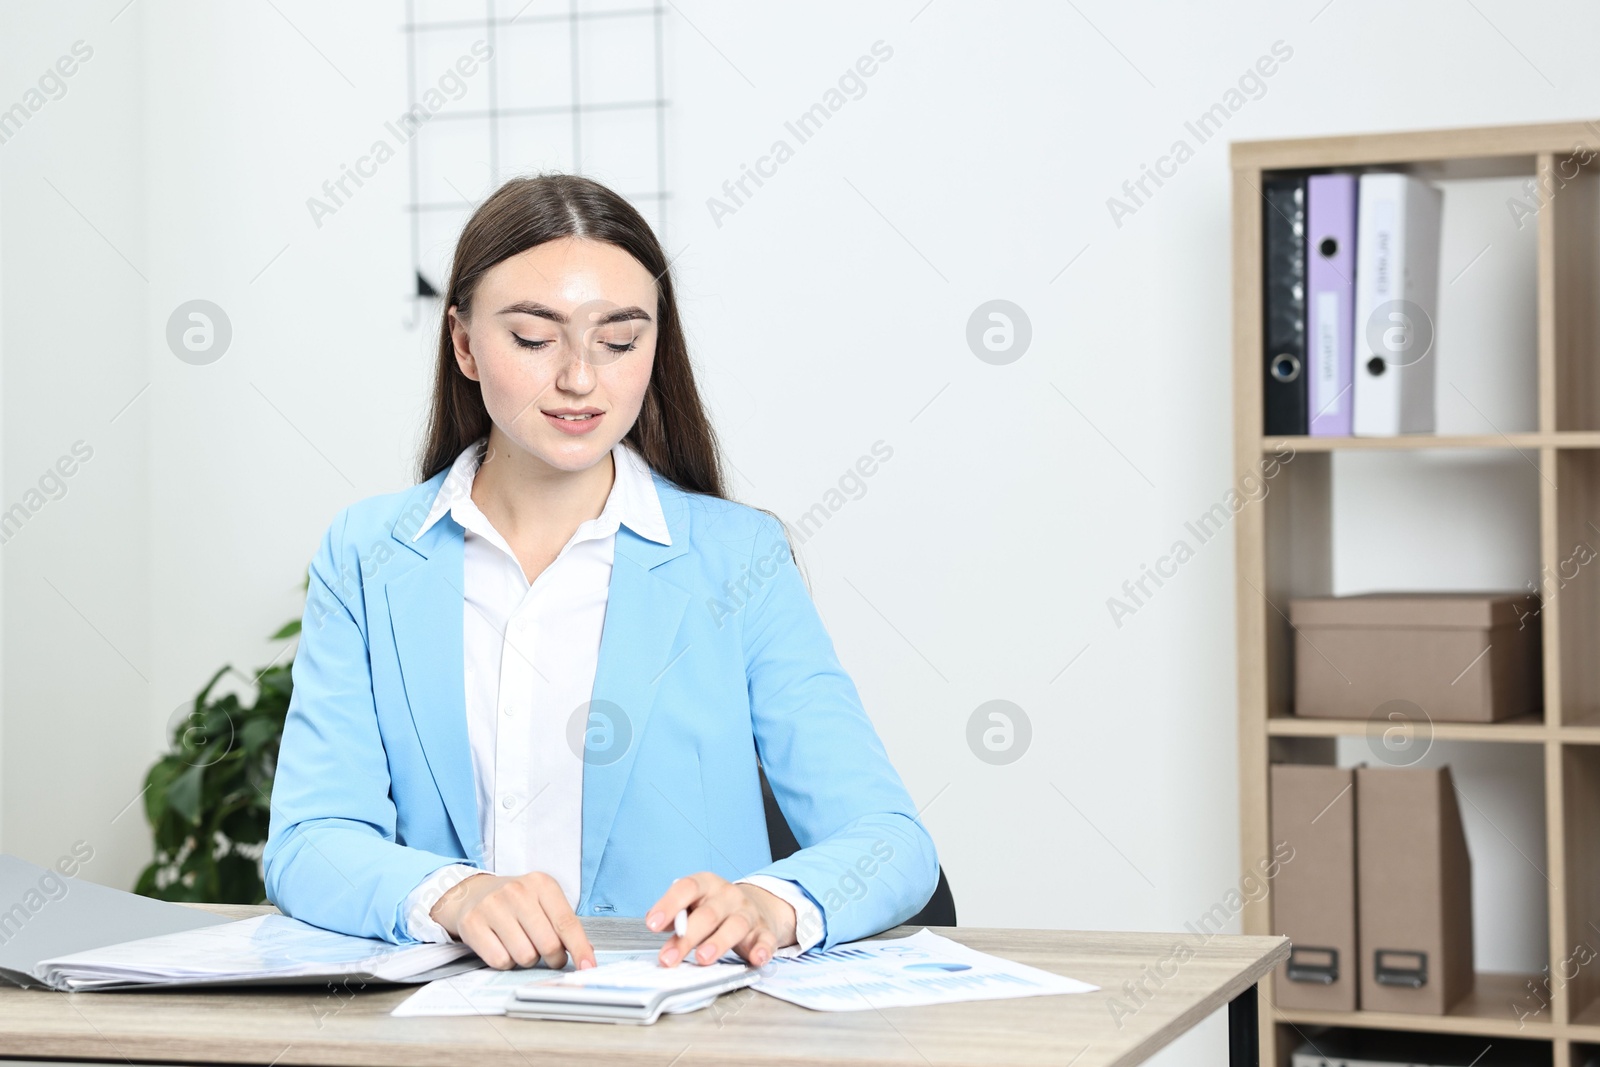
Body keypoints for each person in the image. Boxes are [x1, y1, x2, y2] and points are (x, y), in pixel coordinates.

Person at [262, 173, 938, 973]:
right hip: (447, 1035)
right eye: (534, 338)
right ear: (465, 344)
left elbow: (891, 842)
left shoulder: (739, 558)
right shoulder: (368, 551)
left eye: (619, 342)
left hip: (674, 1030)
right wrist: (452, 892)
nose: (581, 378)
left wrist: (770, 904)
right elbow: (309, 841)